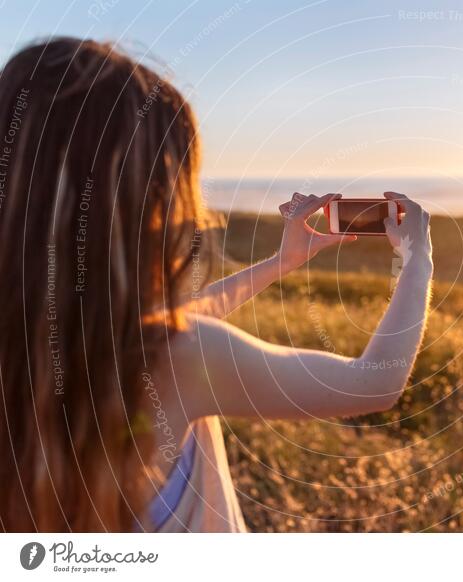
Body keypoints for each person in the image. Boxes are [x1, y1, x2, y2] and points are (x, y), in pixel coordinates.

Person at [0, 38, 433, 532]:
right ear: (144, 208)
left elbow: (176, 319)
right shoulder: (176, 360)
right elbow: (374, 381)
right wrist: (417, 257)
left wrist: (280, 263)